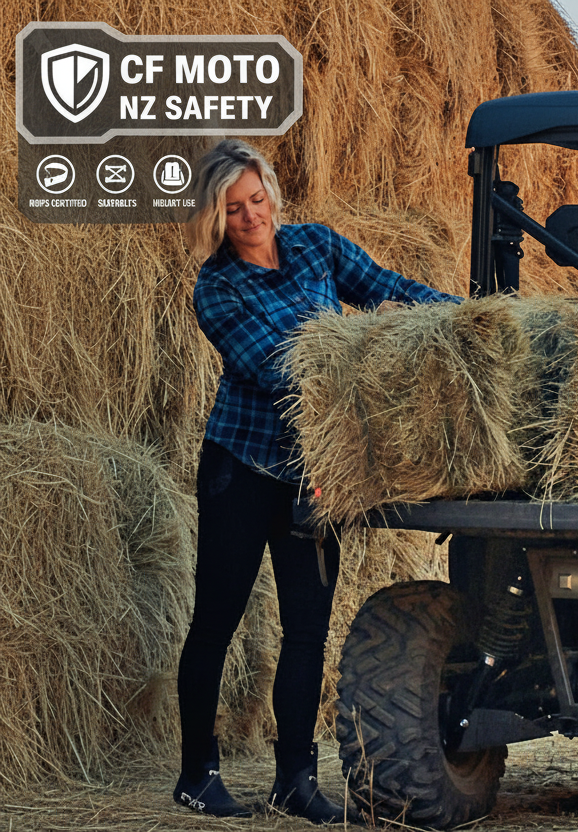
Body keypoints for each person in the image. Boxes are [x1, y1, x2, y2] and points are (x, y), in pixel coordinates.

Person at [174, 138, 459, 823]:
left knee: (307, 630)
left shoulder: (315, 246)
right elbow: (286, 370)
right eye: (234, 208)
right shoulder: (217, 289)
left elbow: (389, 289)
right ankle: (196, 775)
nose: (252, 216)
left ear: (271, 191)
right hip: (244, 469)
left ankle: (295, 781)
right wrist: (378, 348)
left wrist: (459, 318)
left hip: (314, 475)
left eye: (257, 198)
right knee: (216, 621)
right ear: (215, 218)